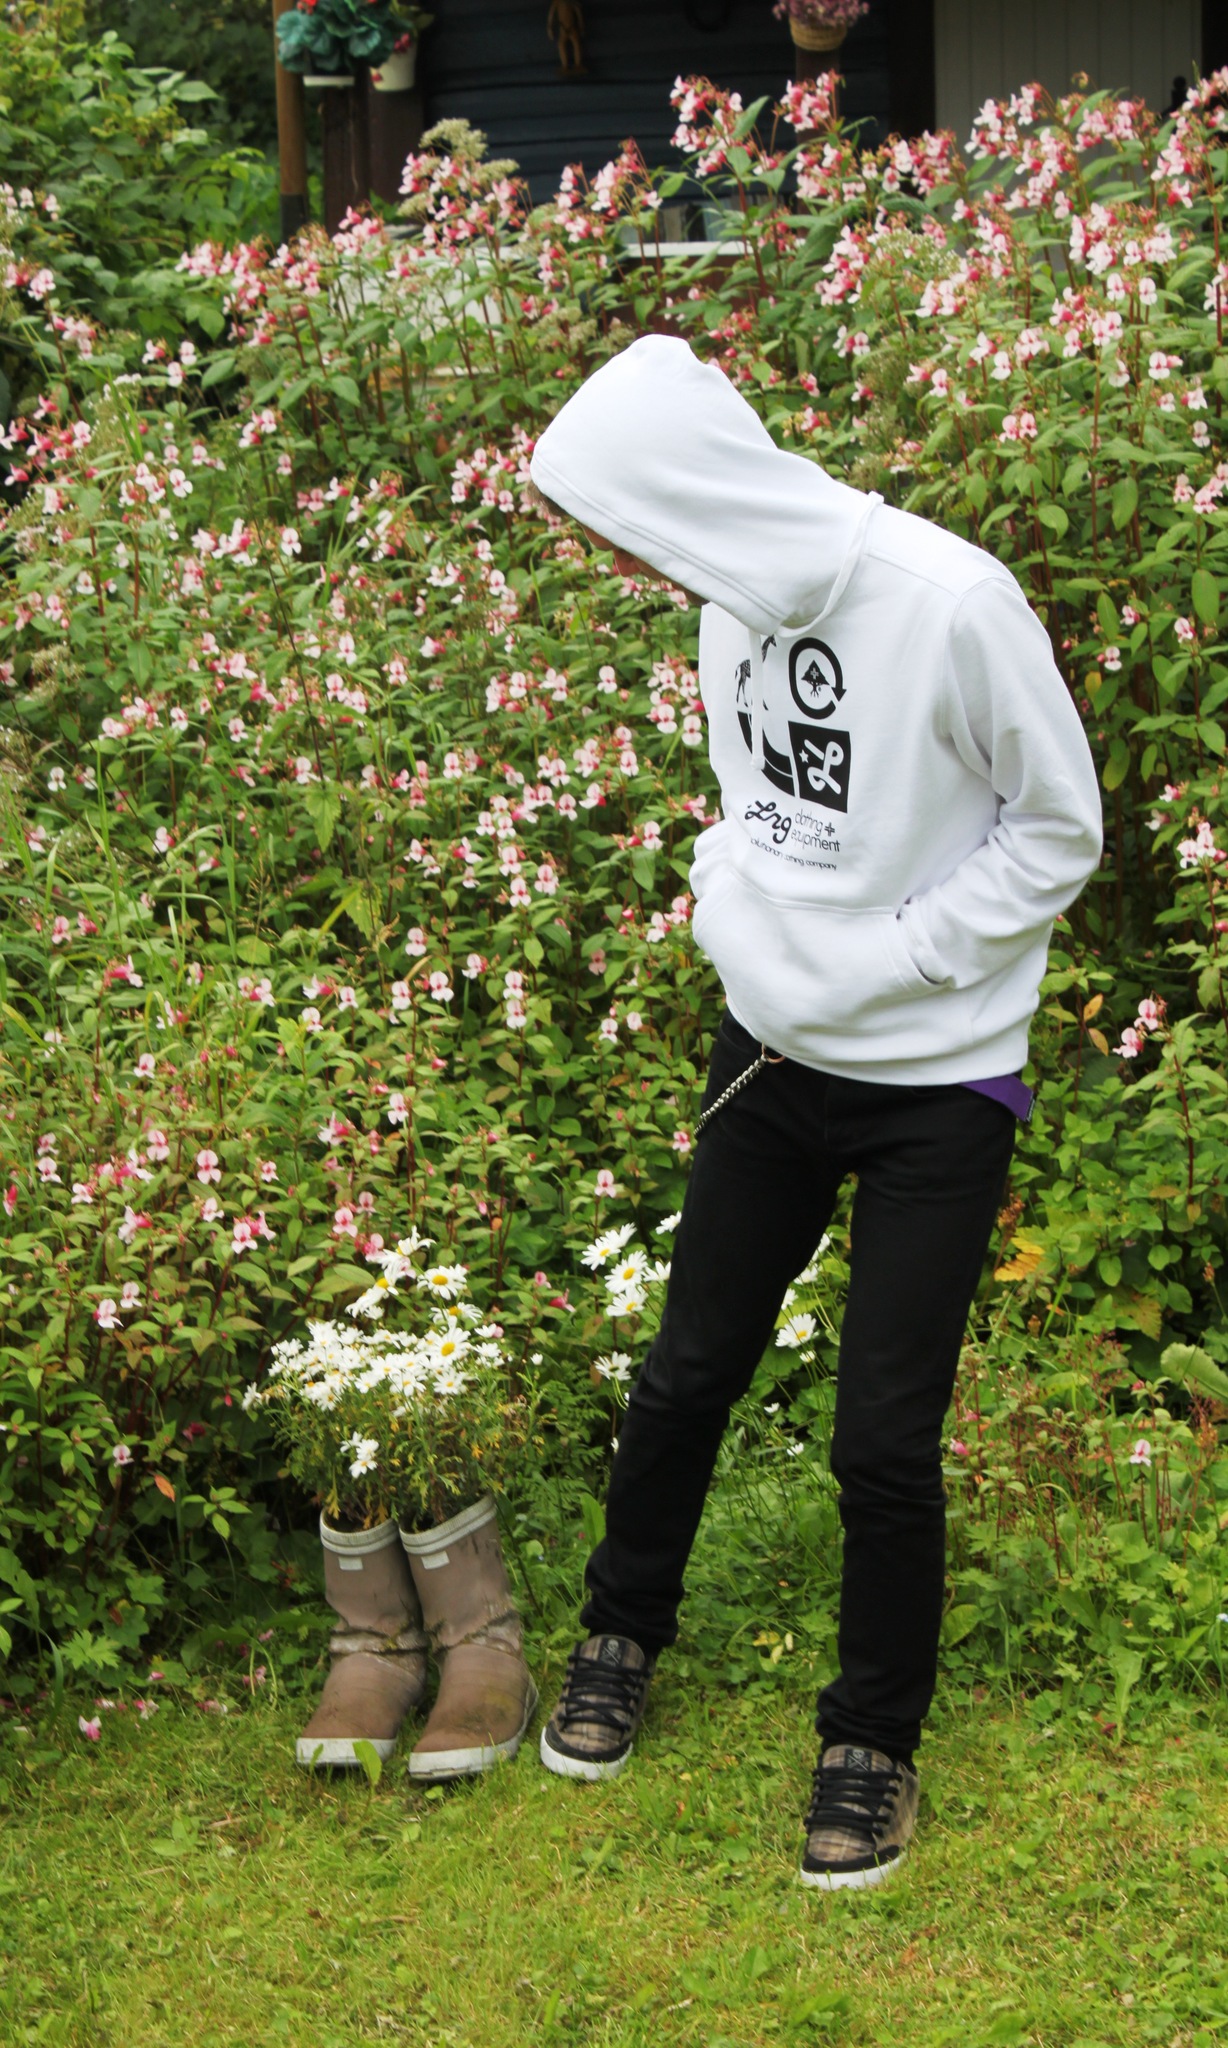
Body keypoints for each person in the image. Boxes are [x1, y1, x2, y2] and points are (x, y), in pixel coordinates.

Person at [527, 335, 1102, 1890]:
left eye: (628, 527)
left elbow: (1060, 827)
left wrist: (903, 959)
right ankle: (619, 1636)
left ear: (692, 490)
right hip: (774, 1053)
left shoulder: (953, 604)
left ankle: (872, 1744)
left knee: (882, 1440)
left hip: (939, 1075)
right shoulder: (731, 599)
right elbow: (756, 803)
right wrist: (727, 901)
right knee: (688, 1369)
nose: (631, 563)